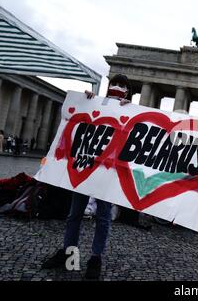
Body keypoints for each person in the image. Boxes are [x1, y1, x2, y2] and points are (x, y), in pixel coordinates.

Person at [41, 74, 132, 280]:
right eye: (114, 84)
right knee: (74, 214)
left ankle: (95, 259)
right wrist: (85, 101)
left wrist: (129, 107)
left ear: (128, 91)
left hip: (106, 175)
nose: (117, 87)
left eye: (122, 85)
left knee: (103, 217)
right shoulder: (95, 104)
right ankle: (68, 253)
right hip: (85, 170)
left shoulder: (130, 111)